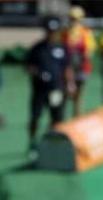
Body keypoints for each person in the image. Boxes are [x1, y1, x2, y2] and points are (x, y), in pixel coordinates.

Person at [24, 16, 72, 156]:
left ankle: (51, 144)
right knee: (35, 117)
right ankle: (32, 142)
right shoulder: (37, 48)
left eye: (53, 31)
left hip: (56, 89)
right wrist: (37, 73)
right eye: (49, 31)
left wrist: (69, 85)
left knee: (56, 119)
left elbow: (66, 67)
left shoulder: (61, 48)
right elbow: (28, 65)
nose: (51, 34)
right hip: (40, 89)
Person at [62, 5, 96, 116]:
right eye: (72, 18)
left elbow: (89, 52)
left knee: (78, 96)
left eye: (76, 19)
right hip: (67, 69)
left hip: (80, 68)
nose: (74, 21)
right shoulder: (65, 33)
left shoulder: (85, 33)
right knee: (66, 95)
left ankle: (77, 118)